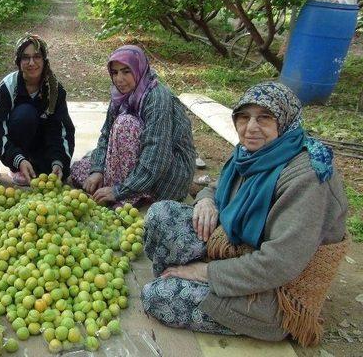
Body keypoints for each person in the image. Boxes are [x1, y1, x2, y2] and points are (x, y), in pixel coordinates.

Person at [141, 82, 348, 346]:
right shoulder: (252, 153)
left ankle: (197, 284)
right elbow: (216, 187)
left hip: (274, 292)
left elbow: (279, 264)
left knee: (158, 296)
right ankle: (179, 272)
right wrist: (207, 202)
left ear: (285, 122)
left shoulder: (307, 179)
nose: (250, 127)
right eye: (243, 117)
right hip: (241, 250)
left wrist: (204, 272)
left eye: (264, 117)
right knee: (161, 214)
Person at [70, 45, 196, 207]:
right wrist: (97, 171)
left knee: (125, 125)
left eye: (126, 71)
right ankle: (120, 187)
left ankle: (131, 196)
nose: (119, 79)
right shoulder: (121, 95)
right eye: (114, 73)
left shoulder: (157, 98)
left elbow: (157, 156)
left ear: (139, 69)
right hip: (134, 164)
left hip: (165, 175)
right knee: (80, 171)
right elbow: (106, 135)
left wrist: (118, 191)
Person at [0, 34, 75, 185]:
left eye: (37, 56)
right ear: (18, 61)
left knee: (54, 172)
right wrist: (17, 159)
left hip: (44, 145)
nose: (31, 63)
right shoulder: (7, 88)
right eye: (25, 58)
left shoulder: (55, 90)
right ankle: (19, 166)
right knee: (25, 114)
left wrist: (58, 161)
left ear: (44, 60)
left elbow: (62, 130)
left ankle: (40, 163)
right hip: (18, 145)